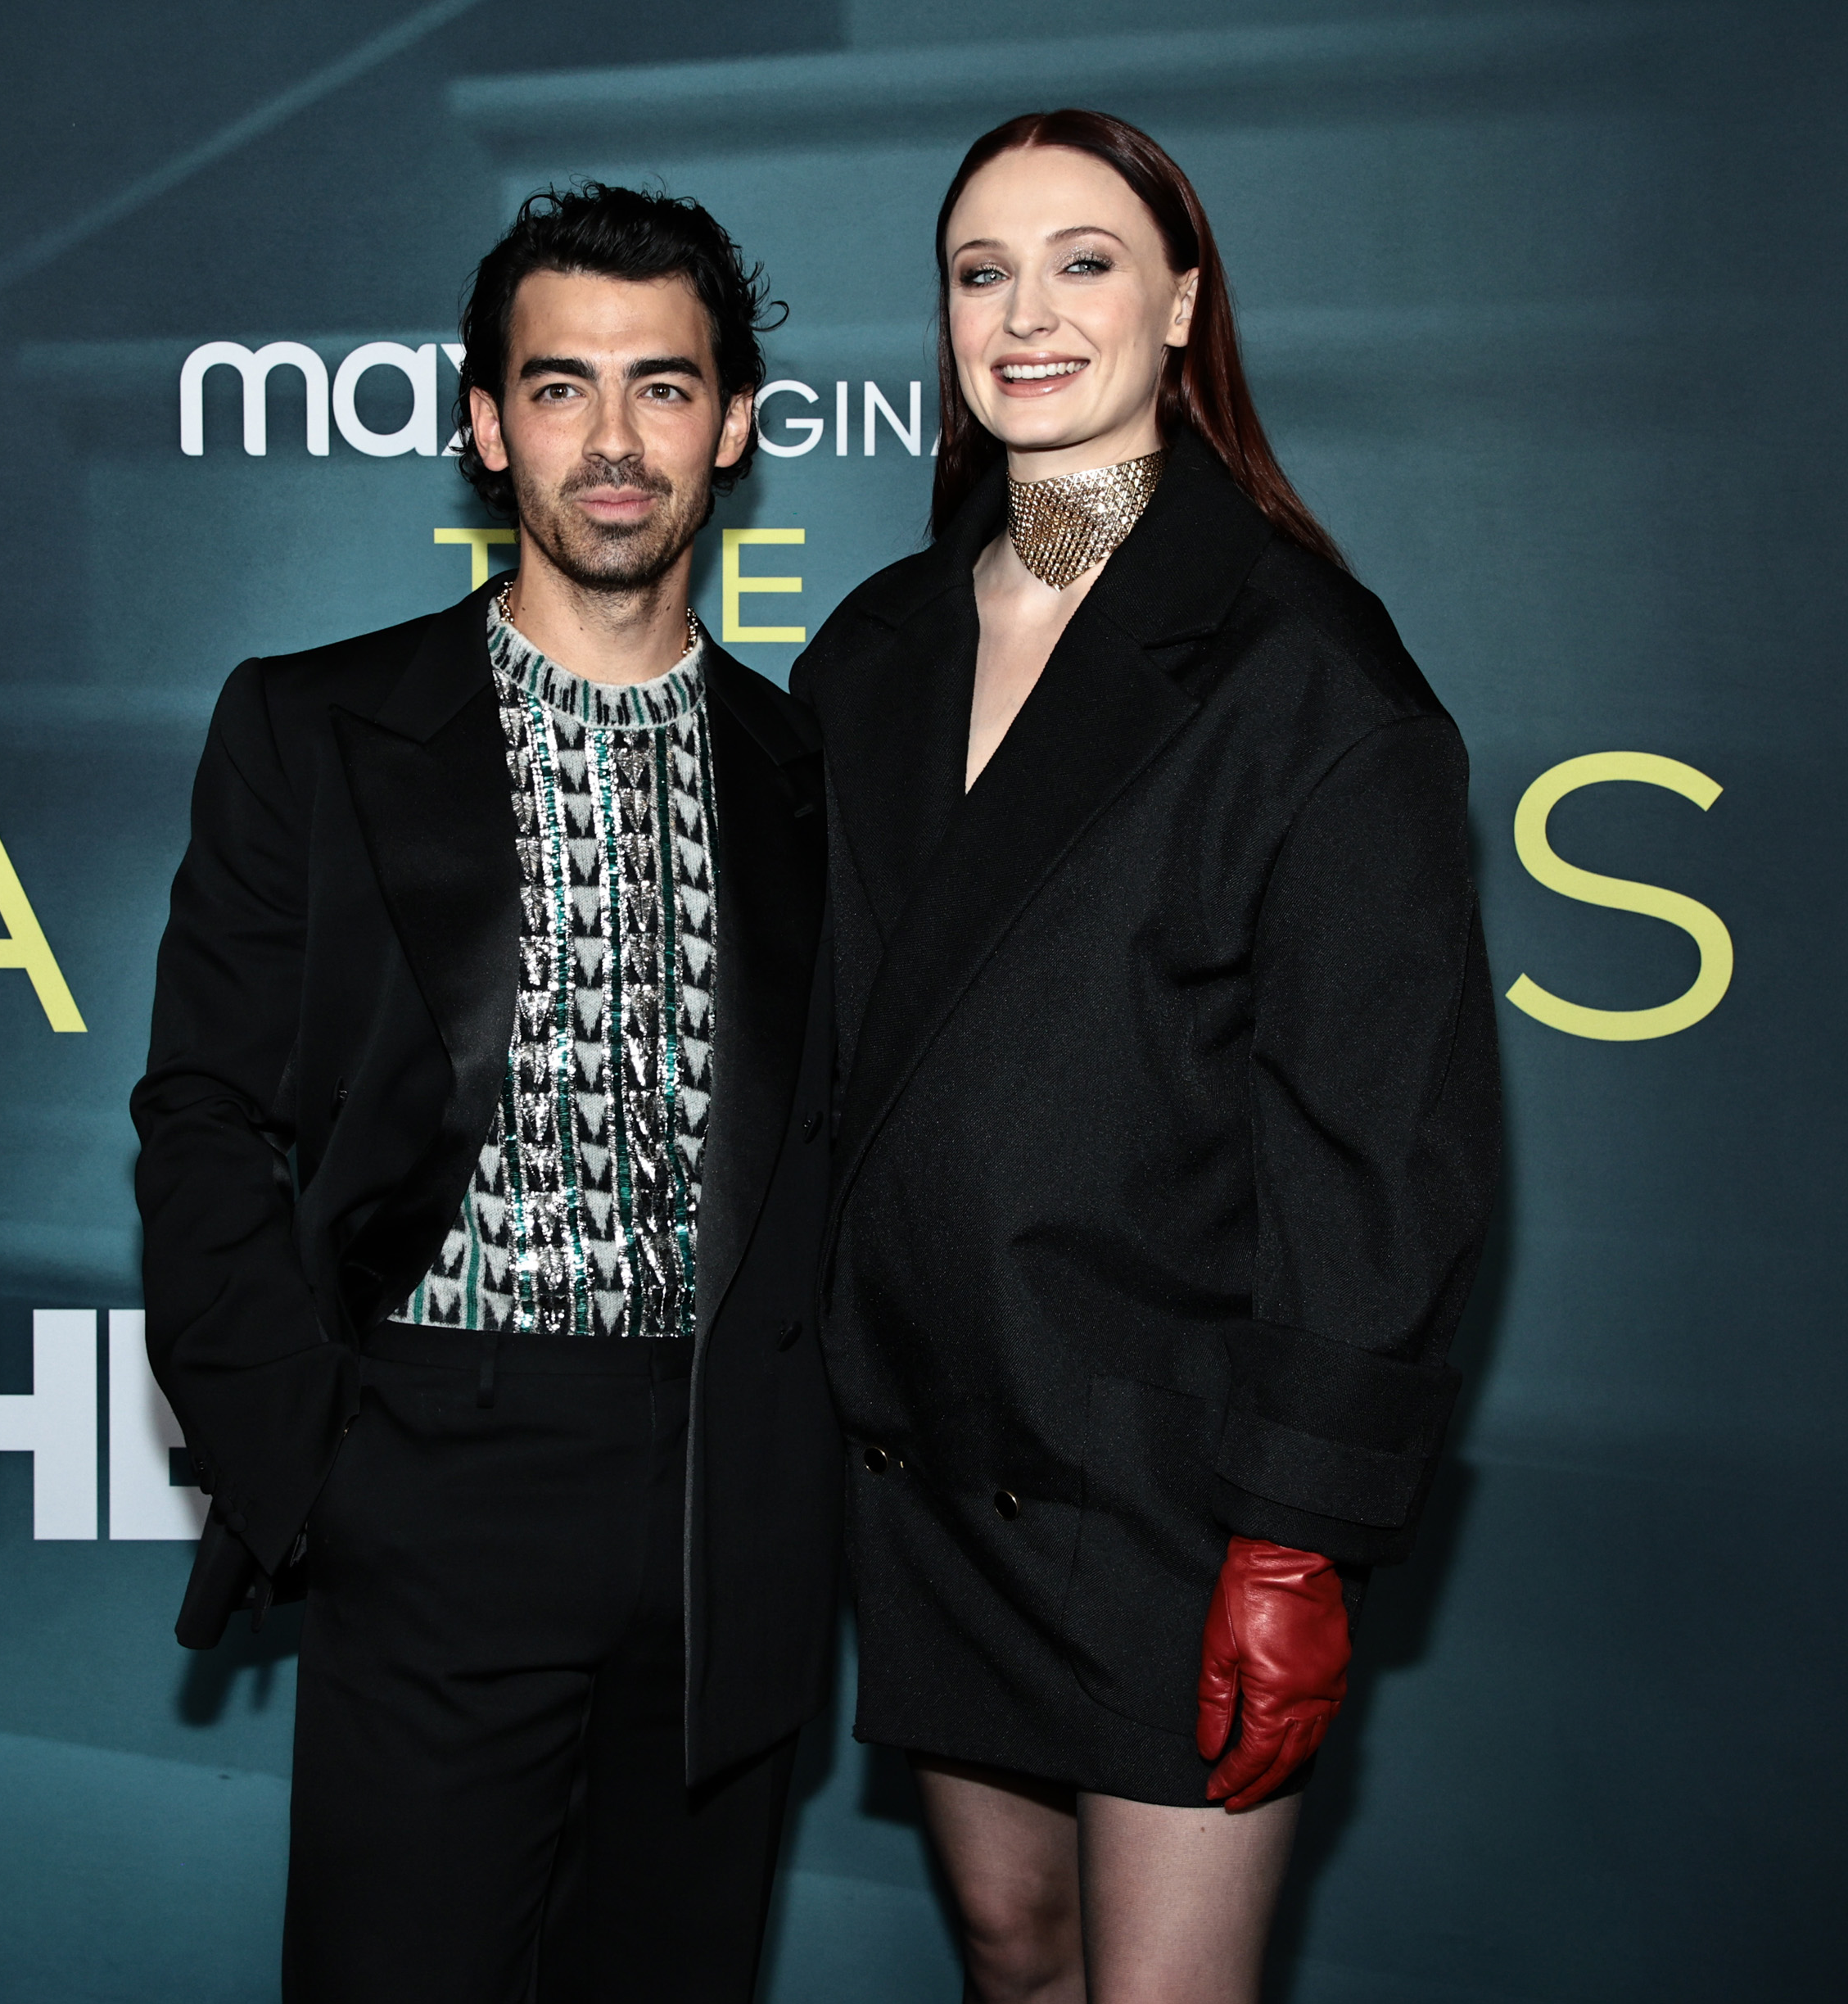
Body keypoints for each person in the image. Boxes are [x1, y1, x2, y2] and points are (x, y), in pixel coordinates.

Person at [793, 111, 1502, 2003]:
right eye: (980, 271)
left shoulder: (1307, 671)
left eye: (1085, 261)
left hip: (1179, 1488)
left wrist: (1300, 1540)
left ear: (1183, 301)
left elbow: (1381, 1140)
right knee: (1014, 1954)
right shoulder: (869, 655)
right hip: (935, 1452)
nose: (1027, 314)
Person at [131, 183, 840, 2004]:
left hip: (727, 1505)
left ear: (738, 425)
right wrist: (314, 1466)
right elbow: (206, 1109)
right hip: (436, 1471)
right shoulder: (311, 727)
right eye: (561, 387)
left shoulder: (813, 771)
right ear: (484, 421)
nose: (613, 442)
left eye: (664, 388)